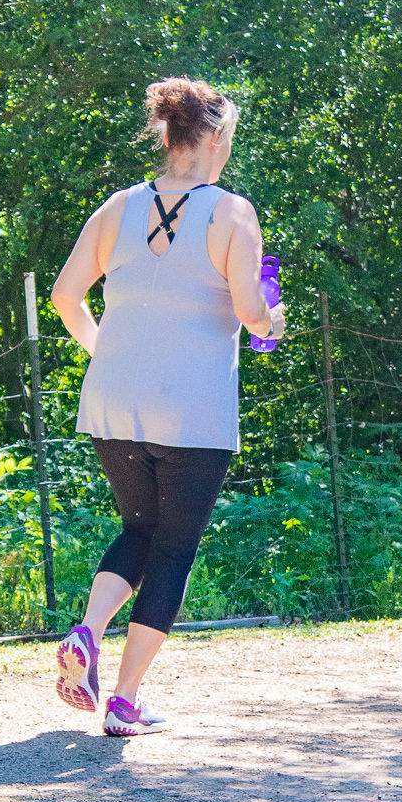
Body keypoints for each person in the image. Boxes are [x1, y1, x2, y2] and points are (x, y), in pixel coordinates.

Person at [48, 76, 285, 736]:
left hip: (112, 401)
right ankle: (123, 700)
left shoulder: (116, 207)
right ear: (213, 139)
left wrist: (104, 354)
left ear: (166, 135)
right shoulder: (232, 213)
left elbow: (66, 297)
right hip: (192, 410)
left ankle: (88, 631)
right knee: (174, 547)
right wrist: (272, 324)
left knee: (139, 529)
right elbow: (249, 312)